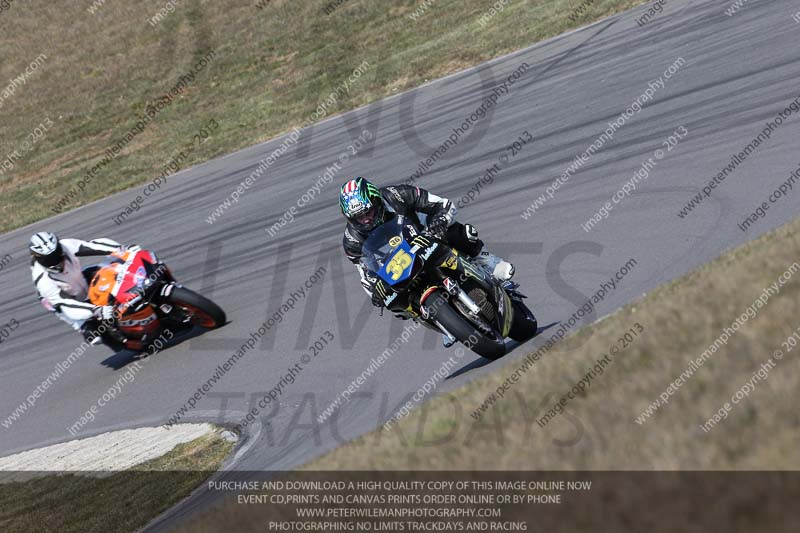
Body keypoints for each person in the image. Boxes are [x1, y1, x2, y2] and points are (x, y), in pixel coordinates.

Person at [339, 178, 514, 346]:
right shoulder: (352, 241)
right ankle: (437, 321)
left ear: (376, 201)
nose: (366, 220)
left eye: (368, 212)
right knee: (393, 303)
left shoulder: (398, 195)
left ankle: (486, 261)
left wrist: (436, 227)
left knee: (461, 232)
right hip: (396, 266)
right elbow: (365, 275)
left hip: (425, 236)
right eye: (358, 218)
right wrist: (376, 290)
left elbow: (443, 205)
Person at [29, 231, 129, 350]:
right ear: (39, 259)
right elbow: (67, 306)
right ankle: (86, 327)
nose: (57, 259)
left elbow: (94, 245)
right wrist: (96, 311)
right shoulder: (43, 281)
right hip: (64, 301)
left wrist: (122, 250)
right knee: (94, 336)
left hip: (79, 278)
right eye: (50, 258)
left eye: (56, 253)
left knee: (116, 269)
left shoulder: (66, 245)